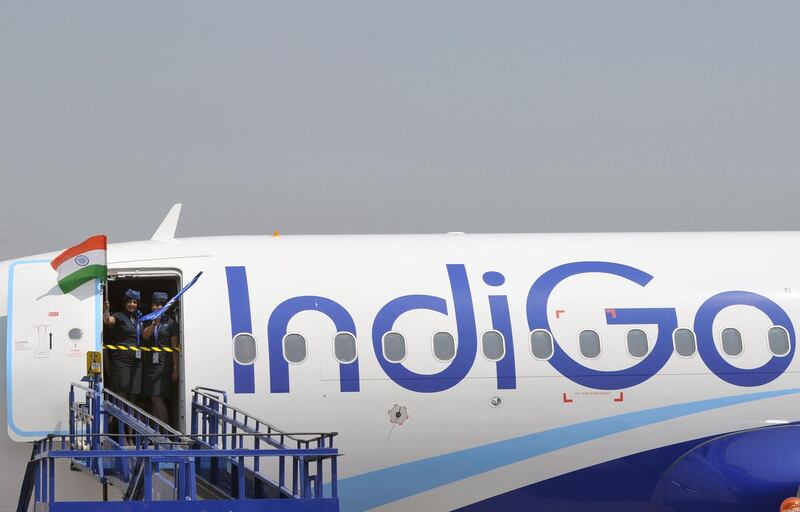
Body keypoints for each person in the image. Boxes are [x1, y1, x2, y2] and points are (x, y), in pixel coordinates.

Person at [141, 291, 179, 423]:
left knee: (157, 397)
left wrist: (175, 368)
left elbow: (175, 348)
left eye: (159, 305)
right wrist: (154, 324)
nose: (155, 308)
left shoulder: (171, 323)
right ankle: (157, 432)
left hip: (164, 363)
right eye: (153, 305)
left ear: (165, 306)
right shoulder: (149, 320)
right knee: (153, 398)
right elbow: (145, 336)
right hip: (151, 362)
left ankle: (165, 431)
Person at [103, 289, 142, 401]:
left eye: (134, 302)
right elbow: (108, 321)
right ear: (125, 302)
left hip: (137, 361)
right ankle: (120, 418)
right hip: (122, 360)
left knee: (134, 392)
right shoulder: (119, 315)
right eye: (129, 302)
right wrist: (106, 310)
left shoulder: (139, 319)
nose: (132, 304)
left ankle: (130, 418)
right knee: (122, 392)